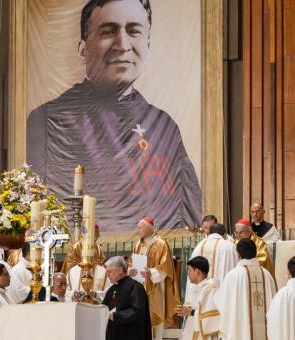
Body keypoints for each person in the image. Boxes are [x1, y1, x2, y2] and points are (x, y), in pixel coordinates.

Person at [27, 0, 201, 232]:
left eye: (134, 31)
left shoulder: (165, 127)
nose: (123, 44)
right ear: (82, 48)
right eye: (109, 31)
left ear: (147, 45)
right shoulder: (48, 120)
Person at [215, 239, 276, 340]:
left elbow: (221, 305)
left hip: (239, 336)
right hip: (264, 339)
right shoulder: (267, 275)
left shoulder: (233, 276)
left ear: (238, 254)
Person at [132, 217, 179, 340]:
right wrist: (132, 270)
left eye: (140, 227)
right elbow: (133, 262)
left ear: (148, 228)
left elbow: (166, 267)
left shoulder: (161, 244)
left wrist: (151, 273)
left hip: (155, 287)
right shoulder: (138, 245)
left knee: (154, 312)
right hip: (139, 284)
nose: (138, 230)